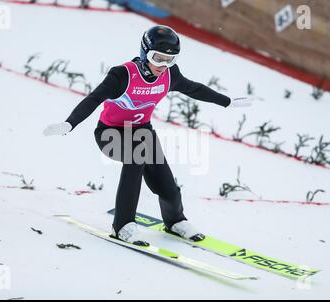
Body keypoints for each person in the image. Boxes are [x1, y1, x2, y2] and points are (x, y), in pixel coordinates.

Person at [44, 25, 253, 246]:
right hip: (110, 134)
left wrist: (227, 102)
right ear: (145, 53)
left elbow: (195, 89)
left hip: (143, 134)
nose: (163, 66)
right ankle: (122, 225)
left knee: (167, 185)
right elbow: (94, 99)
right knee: (136, 157)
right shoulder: (121, 75)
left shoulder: (170, 75)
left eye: (170, 60)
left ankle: (175, 220)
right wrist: (70, 123)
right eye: (158, 58)